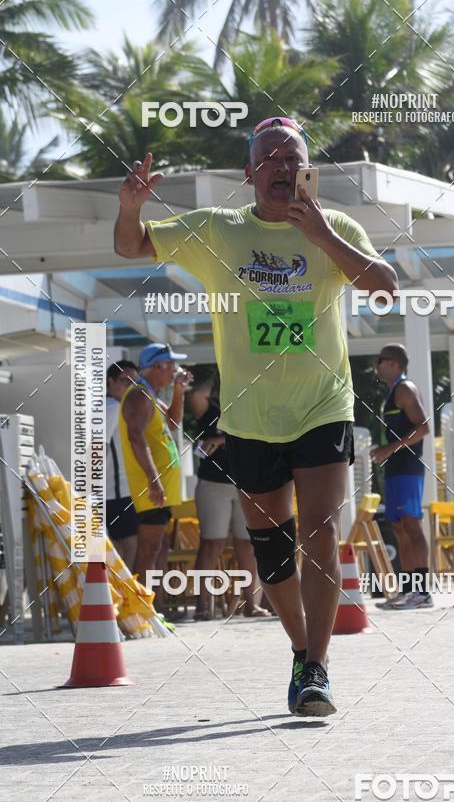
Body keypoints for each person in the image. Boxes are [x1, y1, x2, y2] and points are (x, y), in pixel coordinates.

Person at [114, 116, 398, 716]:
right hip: (249, 419)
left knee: (320, 532)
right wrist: (130, 207)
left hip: (322, 405)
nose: (281, 167)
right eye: (269, 158)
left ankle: (317, 667)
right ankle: (300, 650)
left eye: (292, 157)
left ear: (307, 169)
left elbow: (384, 287)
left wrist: (321, 234)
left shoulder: (335, 228)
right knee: (271, 550)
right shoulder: (218, 231)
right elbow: (130, 245)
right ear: (249, 173)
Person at [188, 373, 270, 620]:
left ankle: (251, 604)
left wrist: (222, 439)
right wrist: (220, 375)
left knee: (247, 545)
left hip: (246, 483)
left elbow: (261, 435)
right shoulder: (210, 405)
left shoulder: (251, 404)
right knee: (212, 543)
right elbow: (195, 394)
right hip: (214, 484)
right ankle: (202, 605)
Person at [118, 342, 192, 606]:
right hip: (150, 489)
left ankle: (147, 607)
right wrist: (153, 480)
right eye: (171, 365)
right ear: (157, 366)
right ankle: (138, 610)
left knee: (155, 550)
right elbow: (135, 437)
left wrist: (179, 390)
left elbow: (172, 422)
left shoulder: (148, 394)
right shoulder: (139, 395)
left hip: (158, 489)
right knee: (147, 552)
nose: (175, 370)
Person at [370, 344, 432, 609]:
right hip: (395, 469)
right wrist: (384, 449)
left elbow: (423, 427)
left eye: (380, 360)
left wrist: (390, 448)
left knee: (412, 525)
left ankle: (423, 592)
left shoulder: (405, 389)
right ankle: (408, 591)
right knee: (399, 528)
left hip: (408, 468)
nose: (376, 365)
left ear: (393, 364)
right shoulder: (392, 392)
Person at [106, 360, 139, 569]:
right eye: (125, 381)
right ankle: (123, 589)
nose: (131, 386)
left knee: (121, 547)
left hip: (119, 491)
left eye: (135, 382)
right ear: (110, 382)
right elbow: (97, 449)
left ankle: (120, 588)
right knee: (129, 546)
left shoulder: (115, 407)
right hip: (116, 491)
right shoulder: (112, 408)